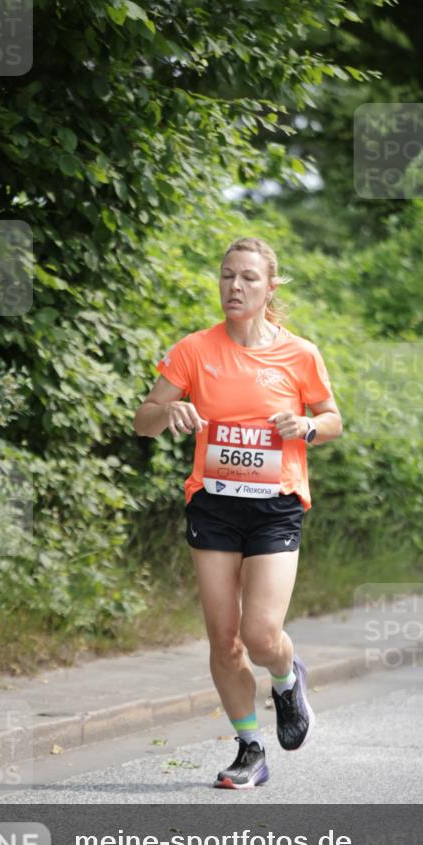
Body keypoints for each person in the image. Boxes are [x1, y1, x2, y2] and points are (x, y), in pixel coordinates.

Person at [133, 236, 342, 789]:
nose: (235, 286)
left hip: (275, 505)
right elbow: (143, 420)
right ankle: (250, 748)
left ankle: (285, 676)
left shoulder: (299, 353)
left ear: (270, 286)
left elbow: (331, 417)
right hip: (216, 504)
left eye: (248, 277)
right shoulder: (194, 350)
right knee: (224, 639)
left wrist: (310, 427)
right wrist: (169, 408)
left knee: (260, 633)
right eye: (227, 275)